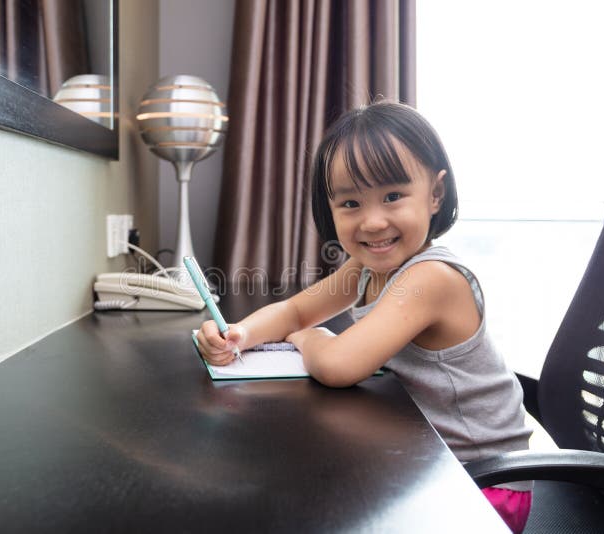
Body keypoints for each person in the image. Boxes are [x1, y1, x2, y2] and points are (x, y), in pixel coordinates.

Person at [195, 101, 533, 533]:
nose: (373, 222)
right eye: (351, 203)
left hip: (481, 488)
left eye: (393, 196)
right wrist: (238, 334)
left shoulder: (431, 278)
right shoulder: (368, 269)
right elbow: (297, 308)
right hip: (427, 462)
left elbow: (336, 365)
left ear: (435, 194)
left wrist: (308, 336)